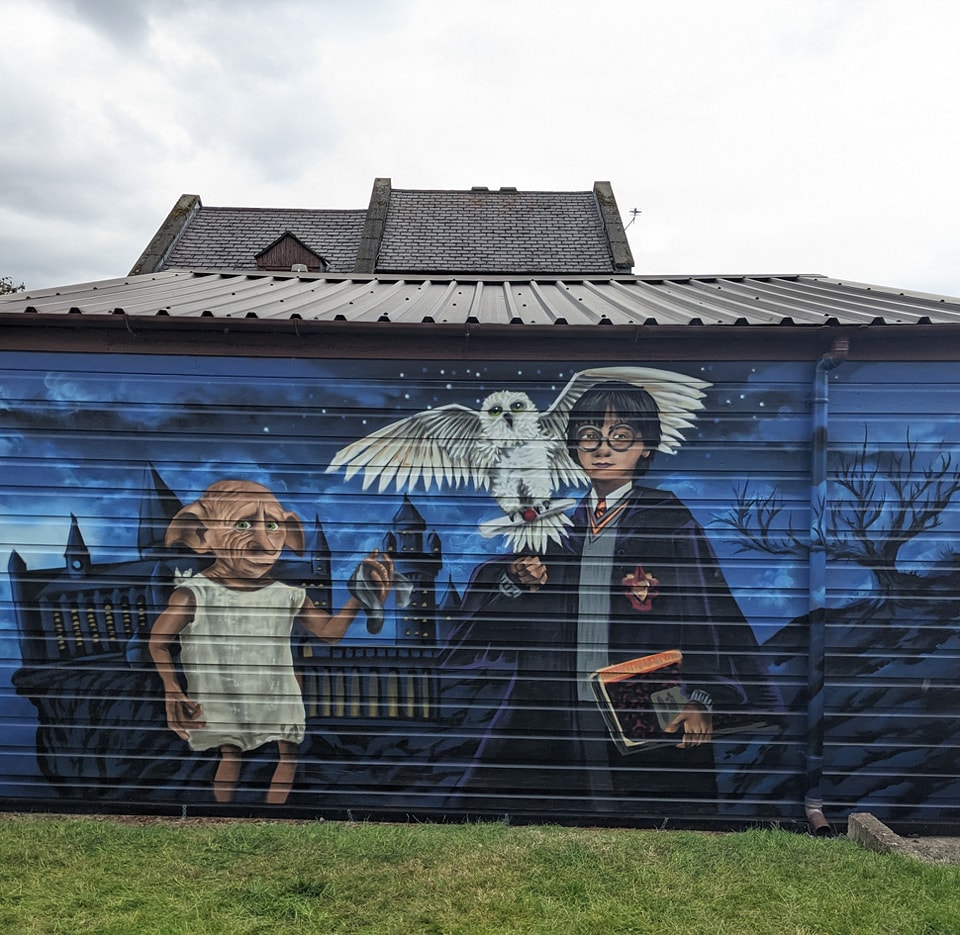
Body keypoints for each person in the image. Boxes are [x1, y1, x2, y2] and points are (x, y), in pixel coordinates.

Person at [446, 380, 780, 816]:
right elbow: (492, 625)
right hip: (555, 709)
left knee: (653, 825)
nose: (603, 450)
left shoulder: (668, 520)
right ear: (574, 447)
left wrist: (702, 696)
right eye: (590, 437)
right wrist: (513, 580)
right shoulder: (555, 523)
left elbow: (708, 617)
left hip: (647, 707)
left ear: (645, 446)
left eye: (621, 437)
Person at [149, 479, 393, 805]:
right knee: (231, 756)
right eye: (244, 524)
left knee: (286, 756)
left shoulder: (287, 595)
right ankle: (223, 822)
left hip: (277, 691)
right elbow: (158, 641)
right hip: (226, 694)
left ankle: (271, 821)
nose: (263, 540)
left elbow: (330, 632)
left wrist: (360, 597)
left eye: (273, 525)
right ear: (201, 534)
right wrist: (172, 688)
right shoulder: (194, 594)